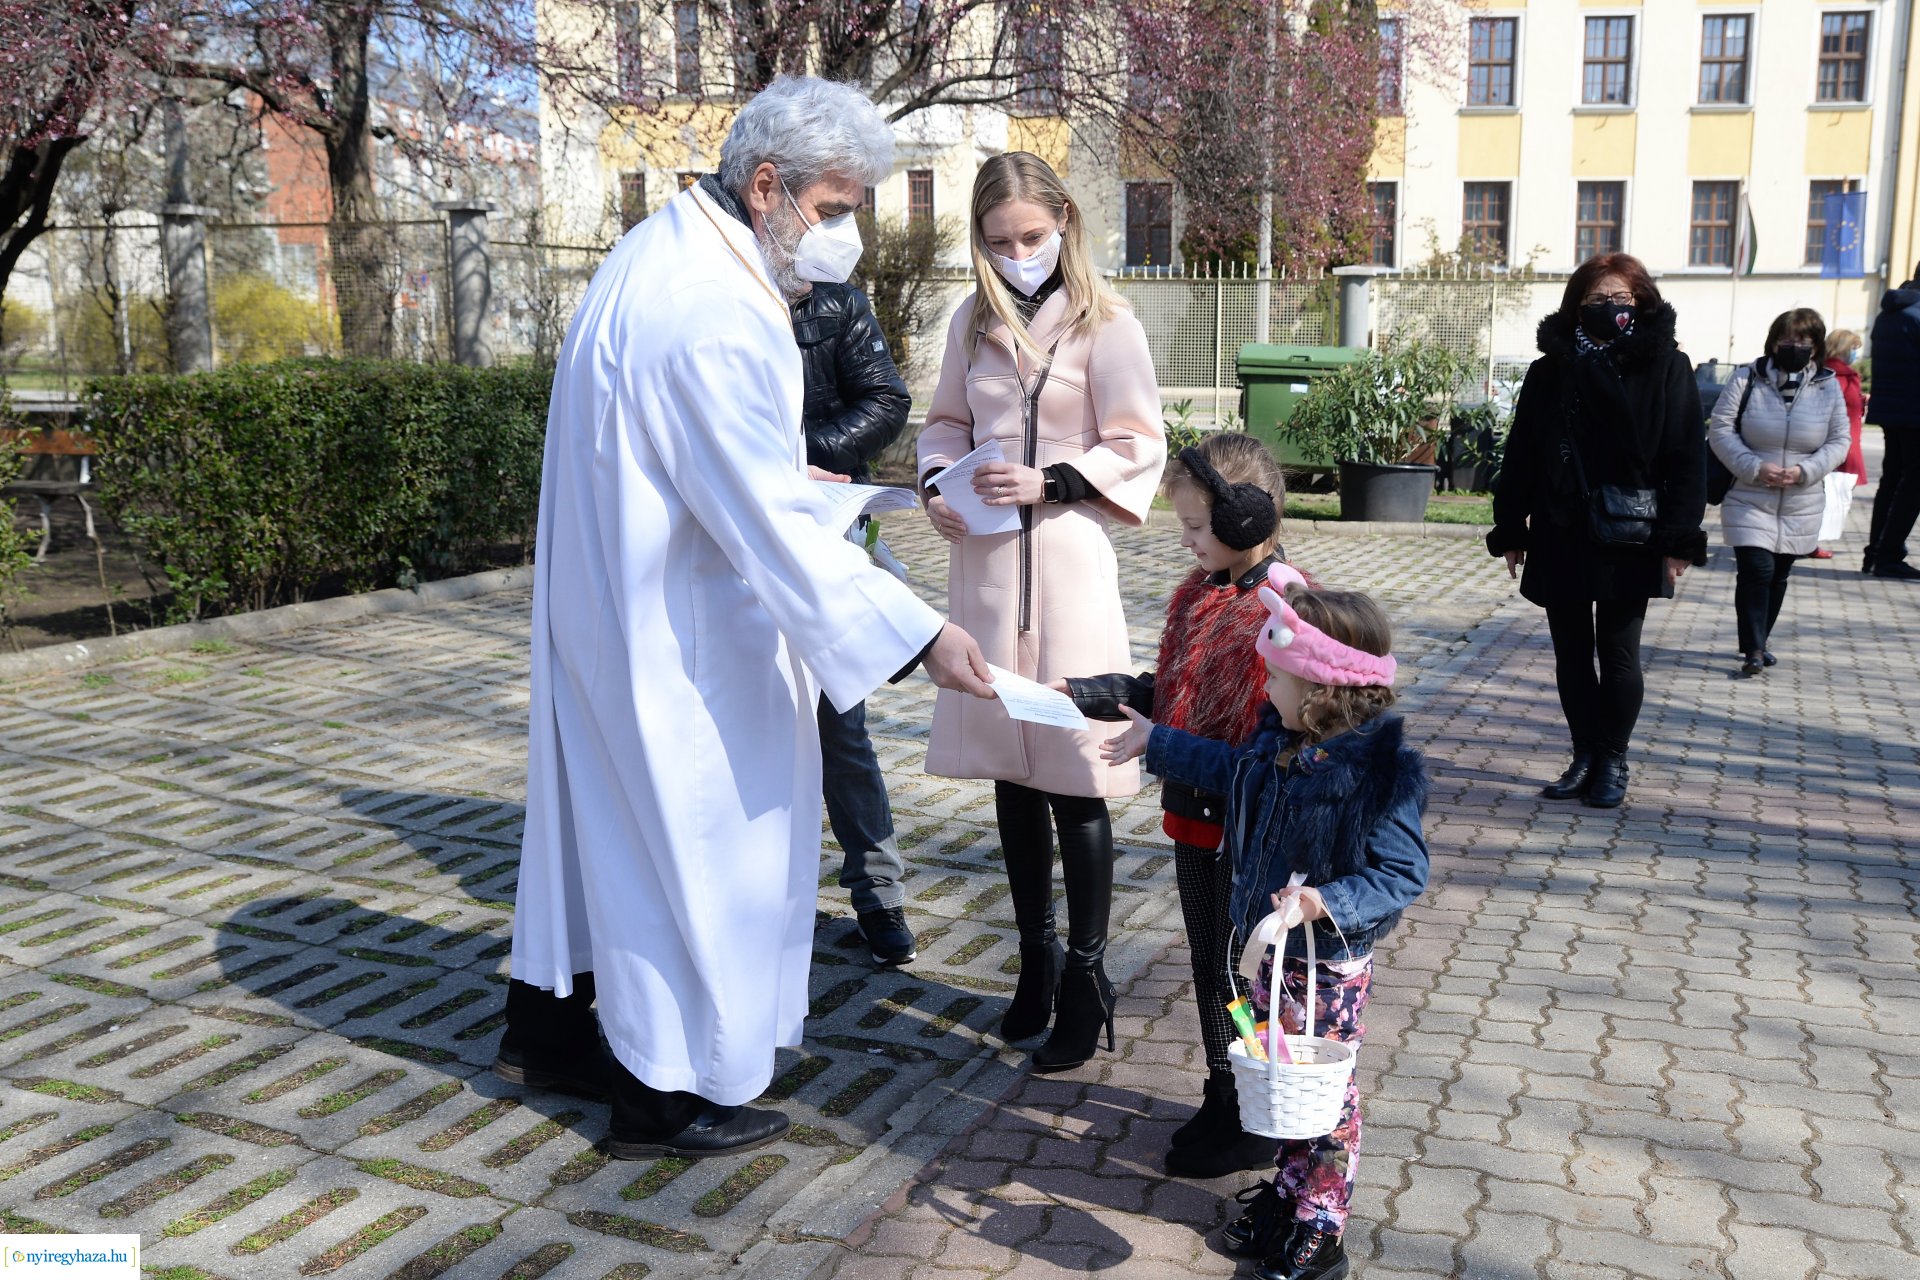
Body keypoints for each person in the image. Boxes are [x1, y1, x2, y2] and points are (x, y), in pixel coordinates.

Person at [497, 75, 994, 1161]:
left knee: (608, 836)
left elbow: (723, 474)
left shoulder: (656, 252)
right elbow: (761, 513)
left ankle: (553, 1033)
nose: (844, 238)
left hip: (620, 597)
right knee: (696, 853)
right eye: (832, 209)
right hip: (682, 632)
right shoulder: (714, 308)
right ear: (767, 186)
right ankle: (665, 1094)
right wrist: (915, 632)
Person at [1100, 567, 1429, 1280]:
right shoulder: (1277, 735)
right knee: (1281, 1088)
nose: (1265, 686)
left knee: (1324, 1099)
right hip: (1266, 955)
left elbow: (1403, 874)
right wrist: (1156, 742)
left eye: (1276, 676)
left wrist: (1326, 901)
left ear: (1321, 689)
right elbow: (1230, 769)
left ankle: (1322, 1222)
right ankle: (1288, 1194)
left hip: (1323, 969)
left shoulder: (1377, 772)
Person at [917, 151, 1166, 1072]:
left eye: (1031, 236)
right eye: (1000, 242)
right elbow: (944, 423)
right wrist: (937, 482)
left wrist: (1054, 477)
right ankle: (1036, 962)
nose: (1020, 253)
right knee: (1010, 775)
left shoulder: (1109, 324)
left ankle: (1088, 978)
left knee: (1075, 769)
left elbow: (1140, 440)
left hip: (1067, 565)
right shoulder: (970, 322)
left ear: (1063, 219)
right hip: (983, 564)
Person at [1054, 433, 1296, 1178]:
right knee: (1210, 966)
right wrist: (1100, 694)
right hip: (1194, 825)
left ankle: (1259, 1110)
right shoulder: (1202, 594)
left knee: (1241, 974)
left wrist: (1159, 745)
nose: (1187, 541)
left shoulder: (1281, 613)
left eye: (1196, 527)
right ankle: (1226, 1091)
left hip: (1245, 838)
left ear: (1248, 518)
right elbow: (1180, 698)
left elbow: (1262, 758)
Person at [1486, 253, 1707, 809]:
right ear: (1577, 307)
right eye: (1598, 301)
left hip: (1631, 530)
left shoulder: (1667, 366)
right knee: (1569, 652)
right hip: (1561, 527)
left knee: (1620, 651)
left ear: (1643, 303)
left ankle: (1613, 759)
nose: (1611, 310)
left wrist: (1679, 540)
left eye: (1623, 300)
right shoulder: (1549, 370)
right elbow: (1522, 455)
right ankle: (1583, 754)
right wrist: (1511, 525)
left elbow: (1685, 457)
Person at [792, 279, 919, 964]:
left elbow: (885, 399)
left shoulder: (834, 298)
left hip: (822, 519)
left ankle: (877, 893)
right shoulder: (710, 288)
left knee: (840, 720)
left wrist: (806, 457)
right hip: (725, 536)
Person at [1710, 310, 1852, 677]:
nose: (1795, 347)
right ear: (1773, 341)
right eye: (1788, 340)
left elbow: (1840, 440)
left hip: (1801, 499)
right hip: (1749, 492)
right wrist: (1755, 467)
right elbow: (1721, 430)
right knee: (1756, 569)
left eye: (1804, 342)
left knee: (1778, 574)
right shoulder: (1746, 378)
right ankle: (1754, 649)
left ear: (1816, 346)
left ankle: (1760, 639)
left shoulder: (1827, 385)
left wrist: (1806, 471)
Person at [1864, 273, 1920, 579]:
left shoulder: (1890, 311)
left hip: (1891, 409)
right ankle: (1889, 555)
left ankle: (1875, 552)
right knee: (1912, 486)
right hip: (1915, 412)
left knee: (1892, 479)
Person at [1811, 327, 1869, 560]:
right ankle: (1810, 542)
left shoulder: (1837, 373)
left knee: (1832, 493)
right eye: (1854, 349)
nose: (1855, 353)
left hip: (1844, 440)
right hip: (1840, 444)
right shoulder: (1837, 374)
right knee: (1829, 495)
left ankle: (1811, 541)